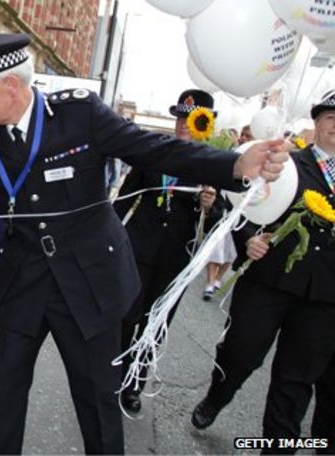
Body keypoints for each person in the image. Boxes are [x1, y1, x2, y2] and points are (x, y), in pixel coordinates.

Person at [0, 34, 287, 454]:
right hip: (23, 279)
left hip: (88, 279)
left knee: (96, 398)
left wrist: (233, 165)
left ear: (11, 85)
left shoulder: (79, 115)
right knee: (4, 394)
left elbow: (154, 150)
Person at [190, 91, 335, 451]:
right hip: (269, 280)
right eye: (332, 117)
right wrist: (250, 239)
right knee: (241, 354)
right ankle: (217, 396)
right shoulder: (283, 163)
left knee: (296, 379)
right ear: (316, 122)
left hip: (323, 295)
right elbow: (241, 209)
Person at [112, 89, 220, 412]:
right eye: (179, 118)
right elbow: (125, 199)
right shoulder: (154, 151)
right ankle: (113, 375)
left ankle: (134, 383)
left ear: (205, 124)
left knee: (154, 324)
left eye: (192, 120)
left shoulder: (211, 164)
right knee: (125, 315)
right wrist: (106, 239)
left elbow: (220, 224)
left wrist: (210, 206)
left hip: (175, 260)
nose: (183, 125)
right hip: (138, 249)